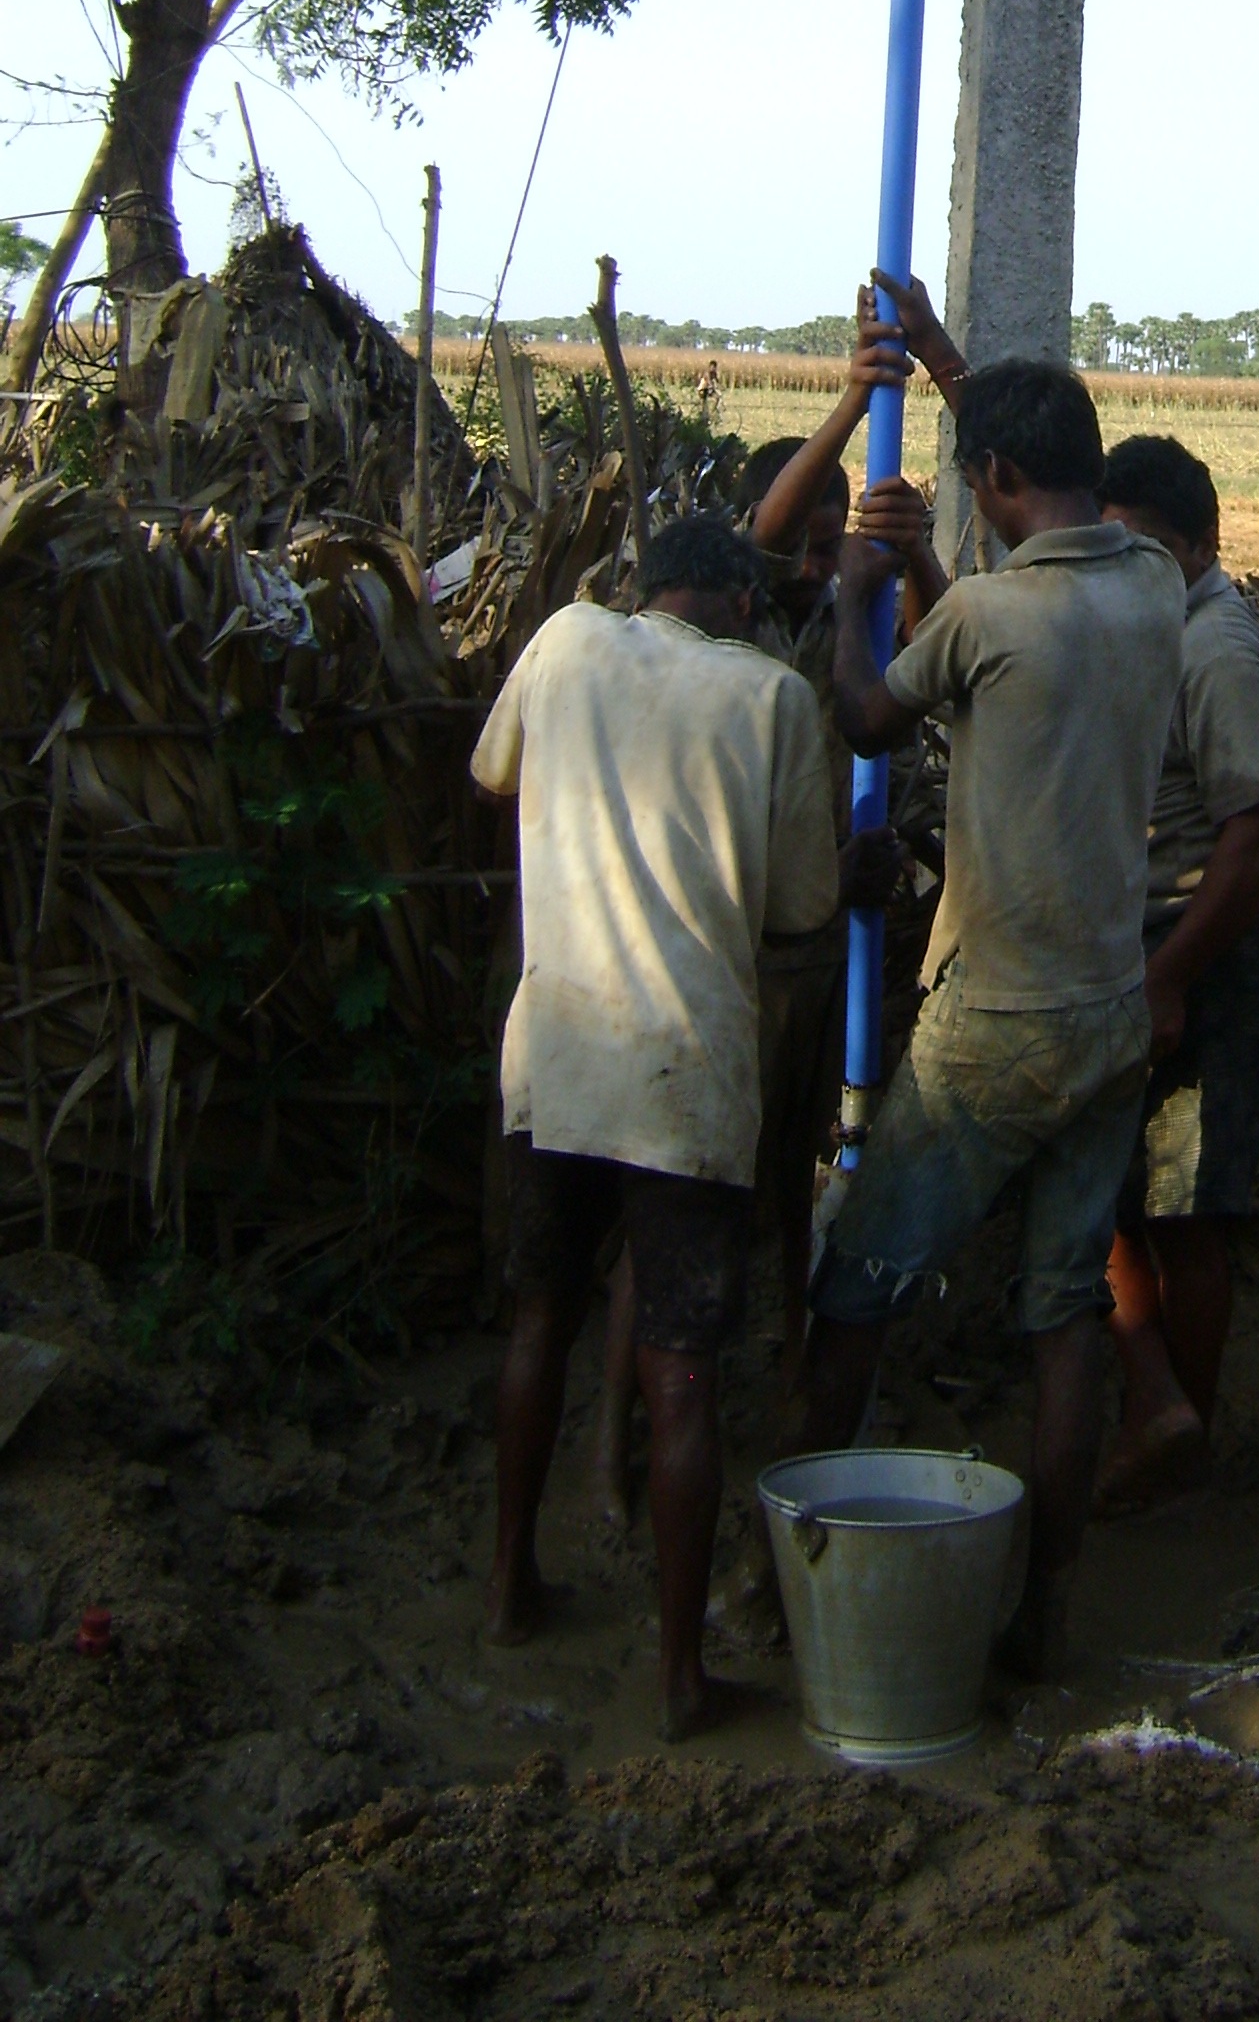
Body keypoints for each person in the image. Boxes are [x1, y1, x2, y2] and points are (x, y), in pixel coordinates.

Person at [791, 325, 1186, 1681]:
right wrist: (926, 558)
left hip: (994, 1021)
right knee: (1062, 1316)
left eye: (977, 481)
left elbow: (865, 717)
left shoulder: (987, 614)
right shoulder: (1149, 586)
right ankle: (1048, 1609)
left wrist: (859, 584)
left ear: (1000, 475)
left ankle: (800, 1557)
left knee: (855, 1286)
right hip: (1110, 1007)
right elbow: (999, 656)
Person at [472, 512, 839, 1739]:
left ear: (647, 588)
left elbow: (492, 774)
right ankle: (681, 1677)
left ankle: (511, 1582)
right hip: (685, 1081)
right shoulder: (775, 699)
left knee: (541, 1319)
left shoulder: (567, 644)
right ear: (739, 602)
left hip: (561, 1055)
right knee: (681, 1375)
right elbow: (798, 911)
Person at [588, 315, 937, 1521]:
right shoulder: (742, 611)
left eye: (845, 530)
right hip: (734, 956)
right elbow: (775, 528)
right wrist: (851, 404)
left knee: (790, 1185)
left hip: (799, 964)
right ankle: (622, 1440)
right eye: (817, 528)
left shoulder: (848, 614)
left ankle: (789, 1375)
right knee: (684, 1202)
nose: (828, 546)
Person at [1094, 433, 1259, 1507]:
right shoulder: (1143, 621)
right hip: (1151, 953)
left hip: (1209, 953)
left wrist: (1172, 975)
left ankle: (1183, 1441)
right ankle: (1155, 1412)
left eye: (1148, 550)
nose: (1127, 568)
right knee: (1119, 1203)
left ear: (1202, 544)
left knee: (1190, 1214)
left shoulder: (1216, 649)